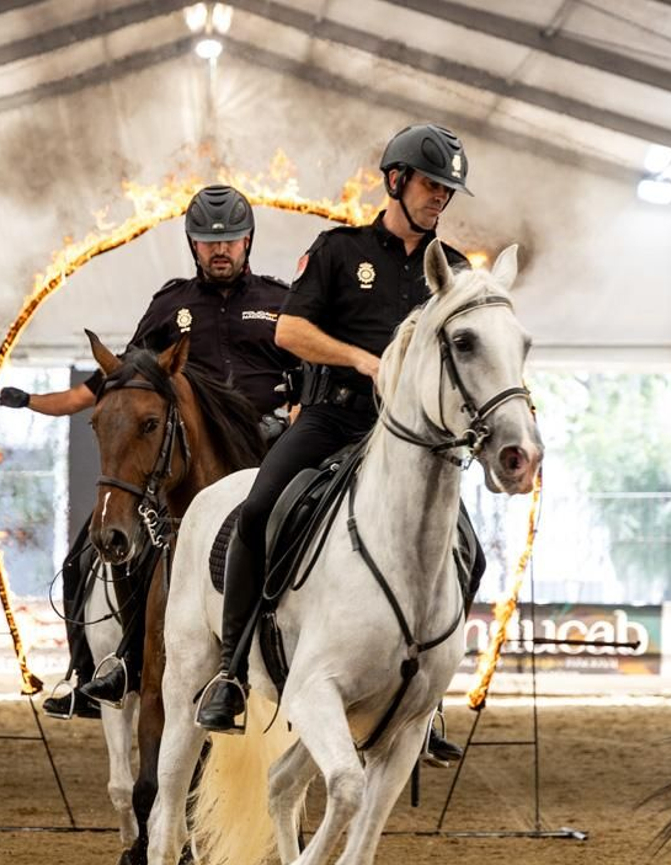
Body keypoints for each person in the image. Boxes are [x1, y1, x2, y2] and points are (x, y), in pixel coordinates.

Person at [194, 123, 481, 766]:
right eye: (432, 185)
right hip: (333, 419)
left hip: (413, 440)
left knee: (470, 548)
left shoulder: (454, 270)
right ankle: (232, 671)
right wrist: (364, 361)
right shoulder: (338, 250)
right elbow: (291, 333)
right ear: (396, 181)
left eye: (448, 191)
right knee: (260, 509)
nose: (441, 199)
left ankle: (425, 698)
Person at [0, 185, 297, 718]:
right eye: (208, 241)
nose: (220, 249)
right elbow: (118, 380)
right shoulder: (171, 305)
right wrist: (35, 402)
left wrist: (297, 411)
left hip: (267, 450)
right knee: (84, 557)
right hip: (182, 457)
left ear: (248, 240)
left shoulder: (280, 303)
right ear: (192, 245)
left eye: (229, 239)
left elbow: (311, 373)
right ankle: (103, 670)